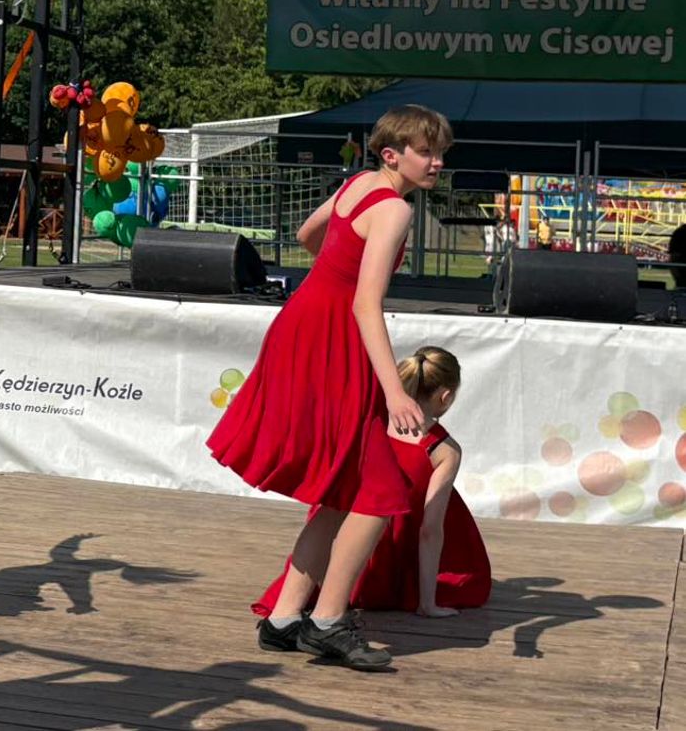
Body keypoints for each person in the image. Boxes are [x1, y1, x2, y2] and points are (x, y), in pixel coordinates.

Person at [207, 104, 452, 672]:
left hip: (304, 324)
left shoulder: (359, 184)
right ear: (392, 155)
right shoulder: (393, 208)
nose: (437, 162)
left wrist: (337, 270)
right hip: (334, 337)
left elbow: (307, 235)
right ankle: (328, 622)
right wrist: (395, 391)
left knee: (346, 487)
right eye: (426, 152)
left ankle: (285, 619)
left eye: (441, 152)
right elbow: (367, 303)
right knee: (380, 493)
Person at [252, 345, 490, 619]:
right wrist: (427, 603)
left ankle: (300, 596)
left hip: (336, 548)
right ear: (445, 396)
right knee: (449, 512)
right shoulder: (443, 449)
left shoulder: (370, 419)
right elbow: (430, 530)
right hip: (387, 568)